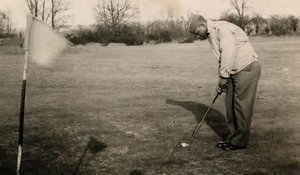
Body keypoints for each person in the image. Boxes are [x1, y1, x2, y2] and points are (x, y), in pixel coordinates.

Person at [188, 15, 261, 151]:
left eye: (198, 33)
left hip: (246, 67)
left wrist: (223, 76)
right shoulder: (211, 33)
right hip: (233, 70)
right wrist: (222, 78)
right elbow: (221, 57)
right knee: (230, 104)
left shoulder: (221, 29)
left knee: (241, 106)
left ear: (202, 25)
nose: (198, 36)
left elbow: (228, 53)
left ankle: (240, 141)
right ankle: (233, 138)